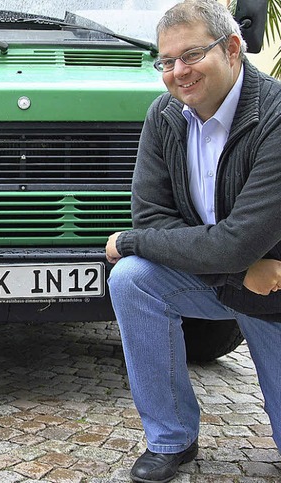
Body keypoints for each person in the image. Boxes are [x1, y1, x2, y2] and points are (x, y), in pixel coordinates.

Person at [105, 1, 281, 482]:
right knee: (132, 279)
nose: (178, 72)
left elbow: (241, 238)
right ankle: (171, 438)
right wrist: (239, 265)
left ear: (232, 49)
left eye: (192, 55)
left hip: (277, 291)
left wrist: (132, 240)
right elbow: (154, 216)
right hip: (249, 275)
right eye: (166, 61)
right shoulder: (163, 115)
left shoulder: (276, 115)